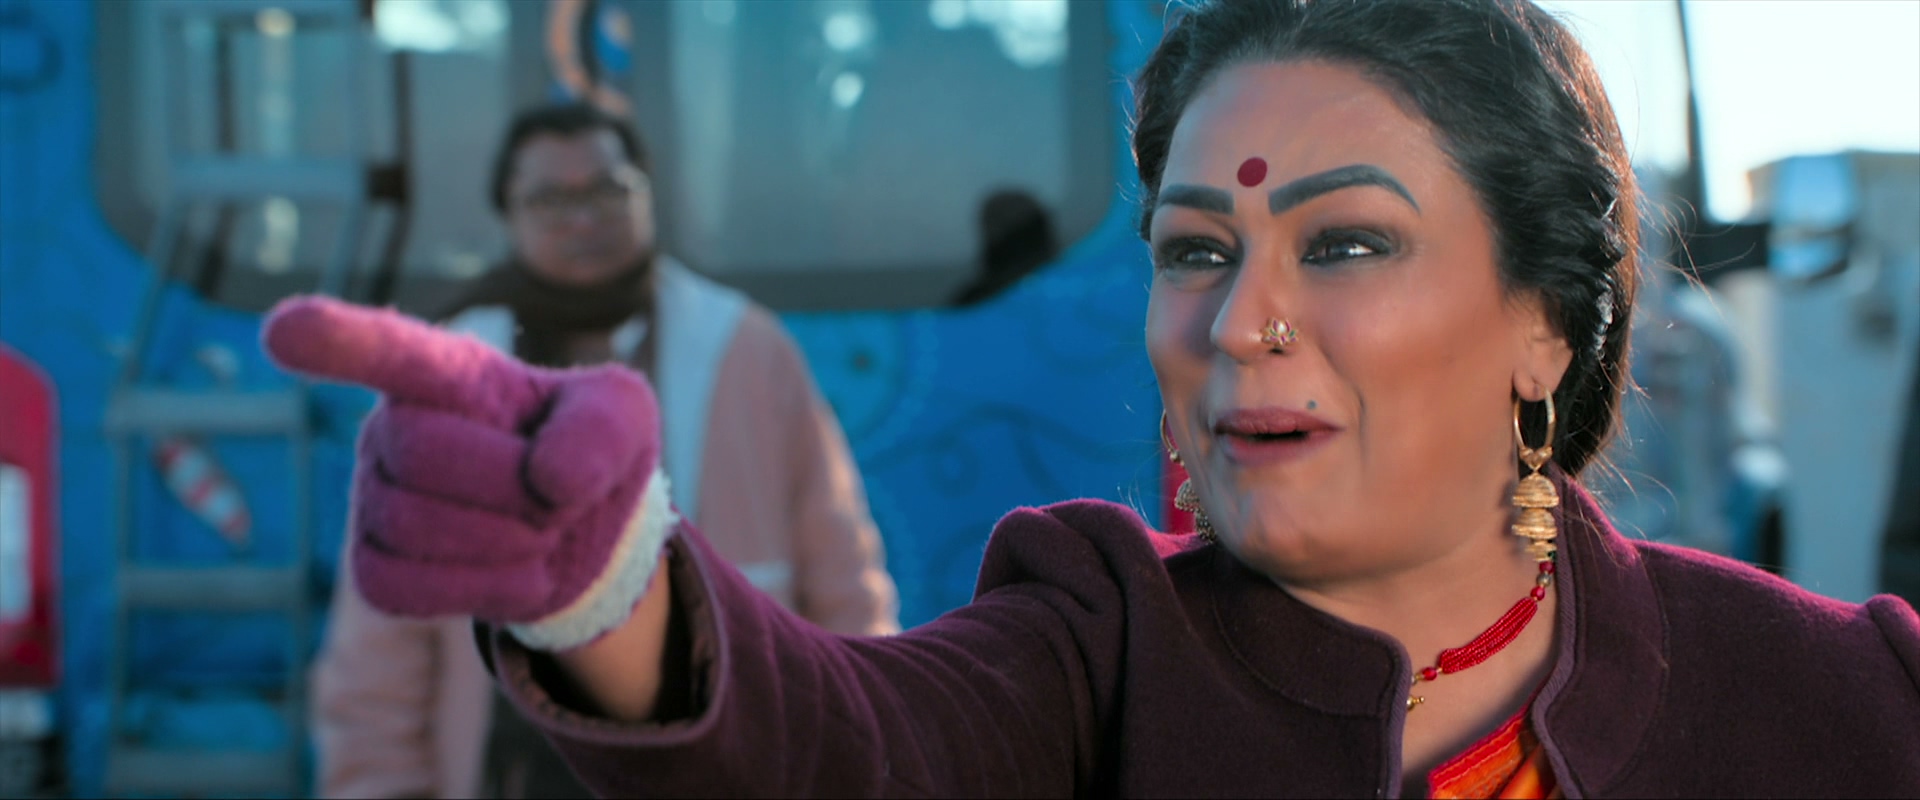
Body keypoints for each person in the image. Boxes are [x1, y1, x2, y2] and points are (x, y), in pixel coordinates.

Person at [268, 1, 1920, 796]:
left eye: (1345, 242)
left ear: (1544, 325)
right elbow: (842, 738)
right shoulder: (1098, 645)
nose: (1238, 324)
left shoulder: (1848, 702)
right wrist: (607, 582)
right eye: (1194, 251)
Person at [307, 103, 900, 799]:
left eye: (608, 190)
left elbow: (842, 575)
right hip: (515, 767)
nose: (584, 220)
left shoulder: (746, 348)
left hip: (724, 757)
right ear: (508, 216)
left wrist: (871, 756)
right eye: (550, 200)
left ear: (649, 195)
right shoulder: (449, 375)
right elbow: (382, 638)